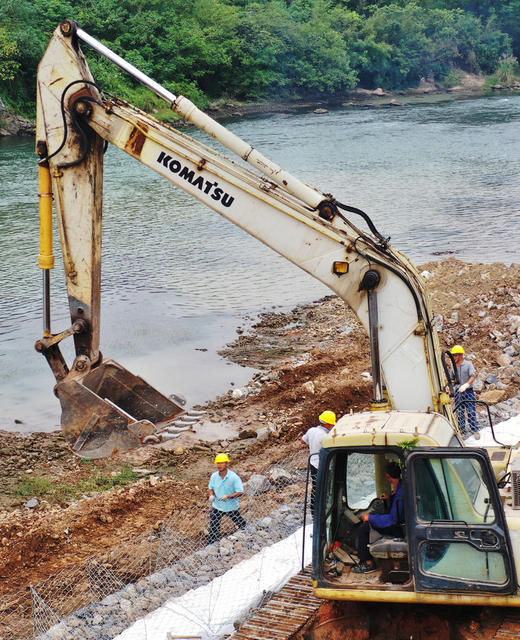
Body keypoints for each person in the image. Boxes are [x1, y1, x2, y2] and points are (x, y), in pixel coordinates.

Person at [353, 461, 404, 574]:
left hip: (398, 528)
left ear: (387, 476)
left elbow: (393, 519)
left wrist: (370, 517)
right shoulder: (401, 485)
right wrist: (389, 498)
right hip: (398, 522)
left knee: (364, 528)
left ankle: (369, 563)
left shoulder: (401, 492)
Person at [301, 410, 336, 514]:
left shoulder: (311, 430)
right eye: (331, 425)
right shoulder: (325, 436)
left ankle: (313, 511)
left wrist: (313, 444)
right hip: (323, 465)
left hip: (313, 464)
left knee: (315, 487)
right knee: (326, 487)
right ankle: (323, 509)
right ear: (328, 424)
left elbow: (303, 441)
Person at [207, 453, 247, 544]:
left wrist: (228, 496)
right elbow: (211, 488)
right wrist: (211, 495)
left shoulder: (233, 477)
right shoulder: (214, 476)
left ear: (226, 464)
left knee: (239, 522)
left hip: (231, 507)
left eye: (222, 463)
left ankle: (246, 531)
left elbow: (240, 492)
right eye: (218, 463)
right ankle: (212, 543)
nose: (219, 465)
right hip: (217, 506)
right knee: (214, 525)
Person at [451, 345, 478, 437]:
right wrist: (451, 384)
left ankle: (475, 430)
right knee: (459, 412)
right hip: (458, 393)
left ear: (461, 355)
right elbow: (452, 379)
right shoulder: (453, 366)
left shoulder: (468, 364)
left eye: (455, 355)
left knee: (471, 411)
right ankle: (461, 432)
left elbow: (473, 375)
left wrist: (467, 385)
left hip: (468, 392)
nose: (453, 357)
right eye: (453, 355)